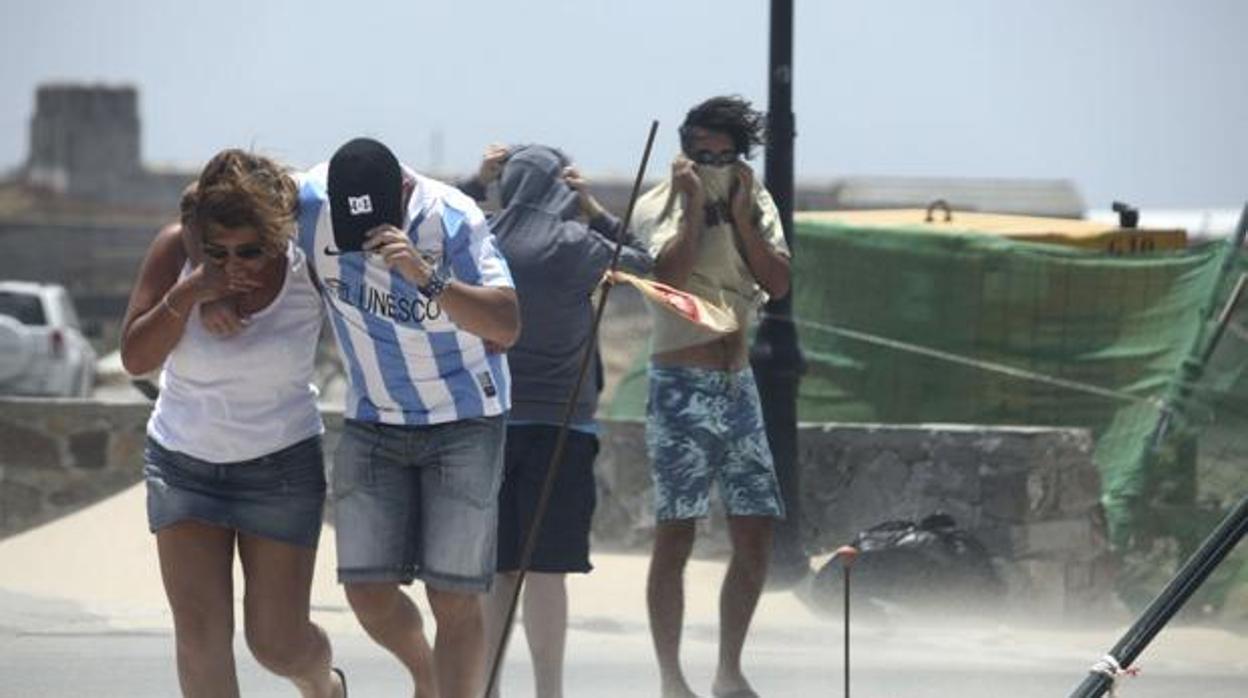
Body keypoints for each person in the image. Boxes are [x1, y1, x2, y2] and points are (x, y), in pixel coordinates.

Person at [296, 137, 520, 698]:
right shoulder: (307, 199)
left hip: (465, 418)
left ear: (402, 191)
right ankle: (426, 673)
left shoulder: (452, 218)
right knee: (366, 590)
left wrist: (428, 278)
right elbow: (216, 197)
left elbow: (507, 325)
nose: (366, 242)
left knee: (453, 594)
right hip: (374, 417)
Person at [120, 150, 345, 698]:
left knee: (278, 643)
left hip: (281, 468)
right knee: (200, 638)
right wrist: (191, 292)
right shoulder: (177, 250)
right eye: (219, 251)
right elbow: (134, 358)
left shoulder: (306, 264)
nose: (235, 264)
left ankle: (323, 684)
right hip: (183, 466)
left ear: (277, 236)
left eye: (251, 251)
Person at [460, 144, 652, 698]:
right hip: (563, 428)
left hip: (488, 421)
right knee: (545, 571)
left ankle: (487, 687)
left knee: (495, 570)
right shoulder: (578, 245)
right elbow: (647, 260)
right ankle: (550, 691)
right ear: (558, 188)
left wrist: (476, 180)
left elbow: (426, 226)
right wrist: (593, 208)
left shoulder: (479, 235)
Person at [633, 96, 792, 698]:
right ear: (686, 154)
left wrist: (745, 215)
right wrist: (695, 202)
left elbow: (776, 282)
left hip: (737, 381)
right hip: (681, 381)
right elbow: (668, 279)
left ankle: (729, 668)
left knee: (755, 530)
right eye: (704, 155)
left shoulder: (754, 200)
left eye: (725, 156)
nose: (715, 165)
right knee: (677, 531)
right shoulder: (662, 201)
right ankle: (672, 677)